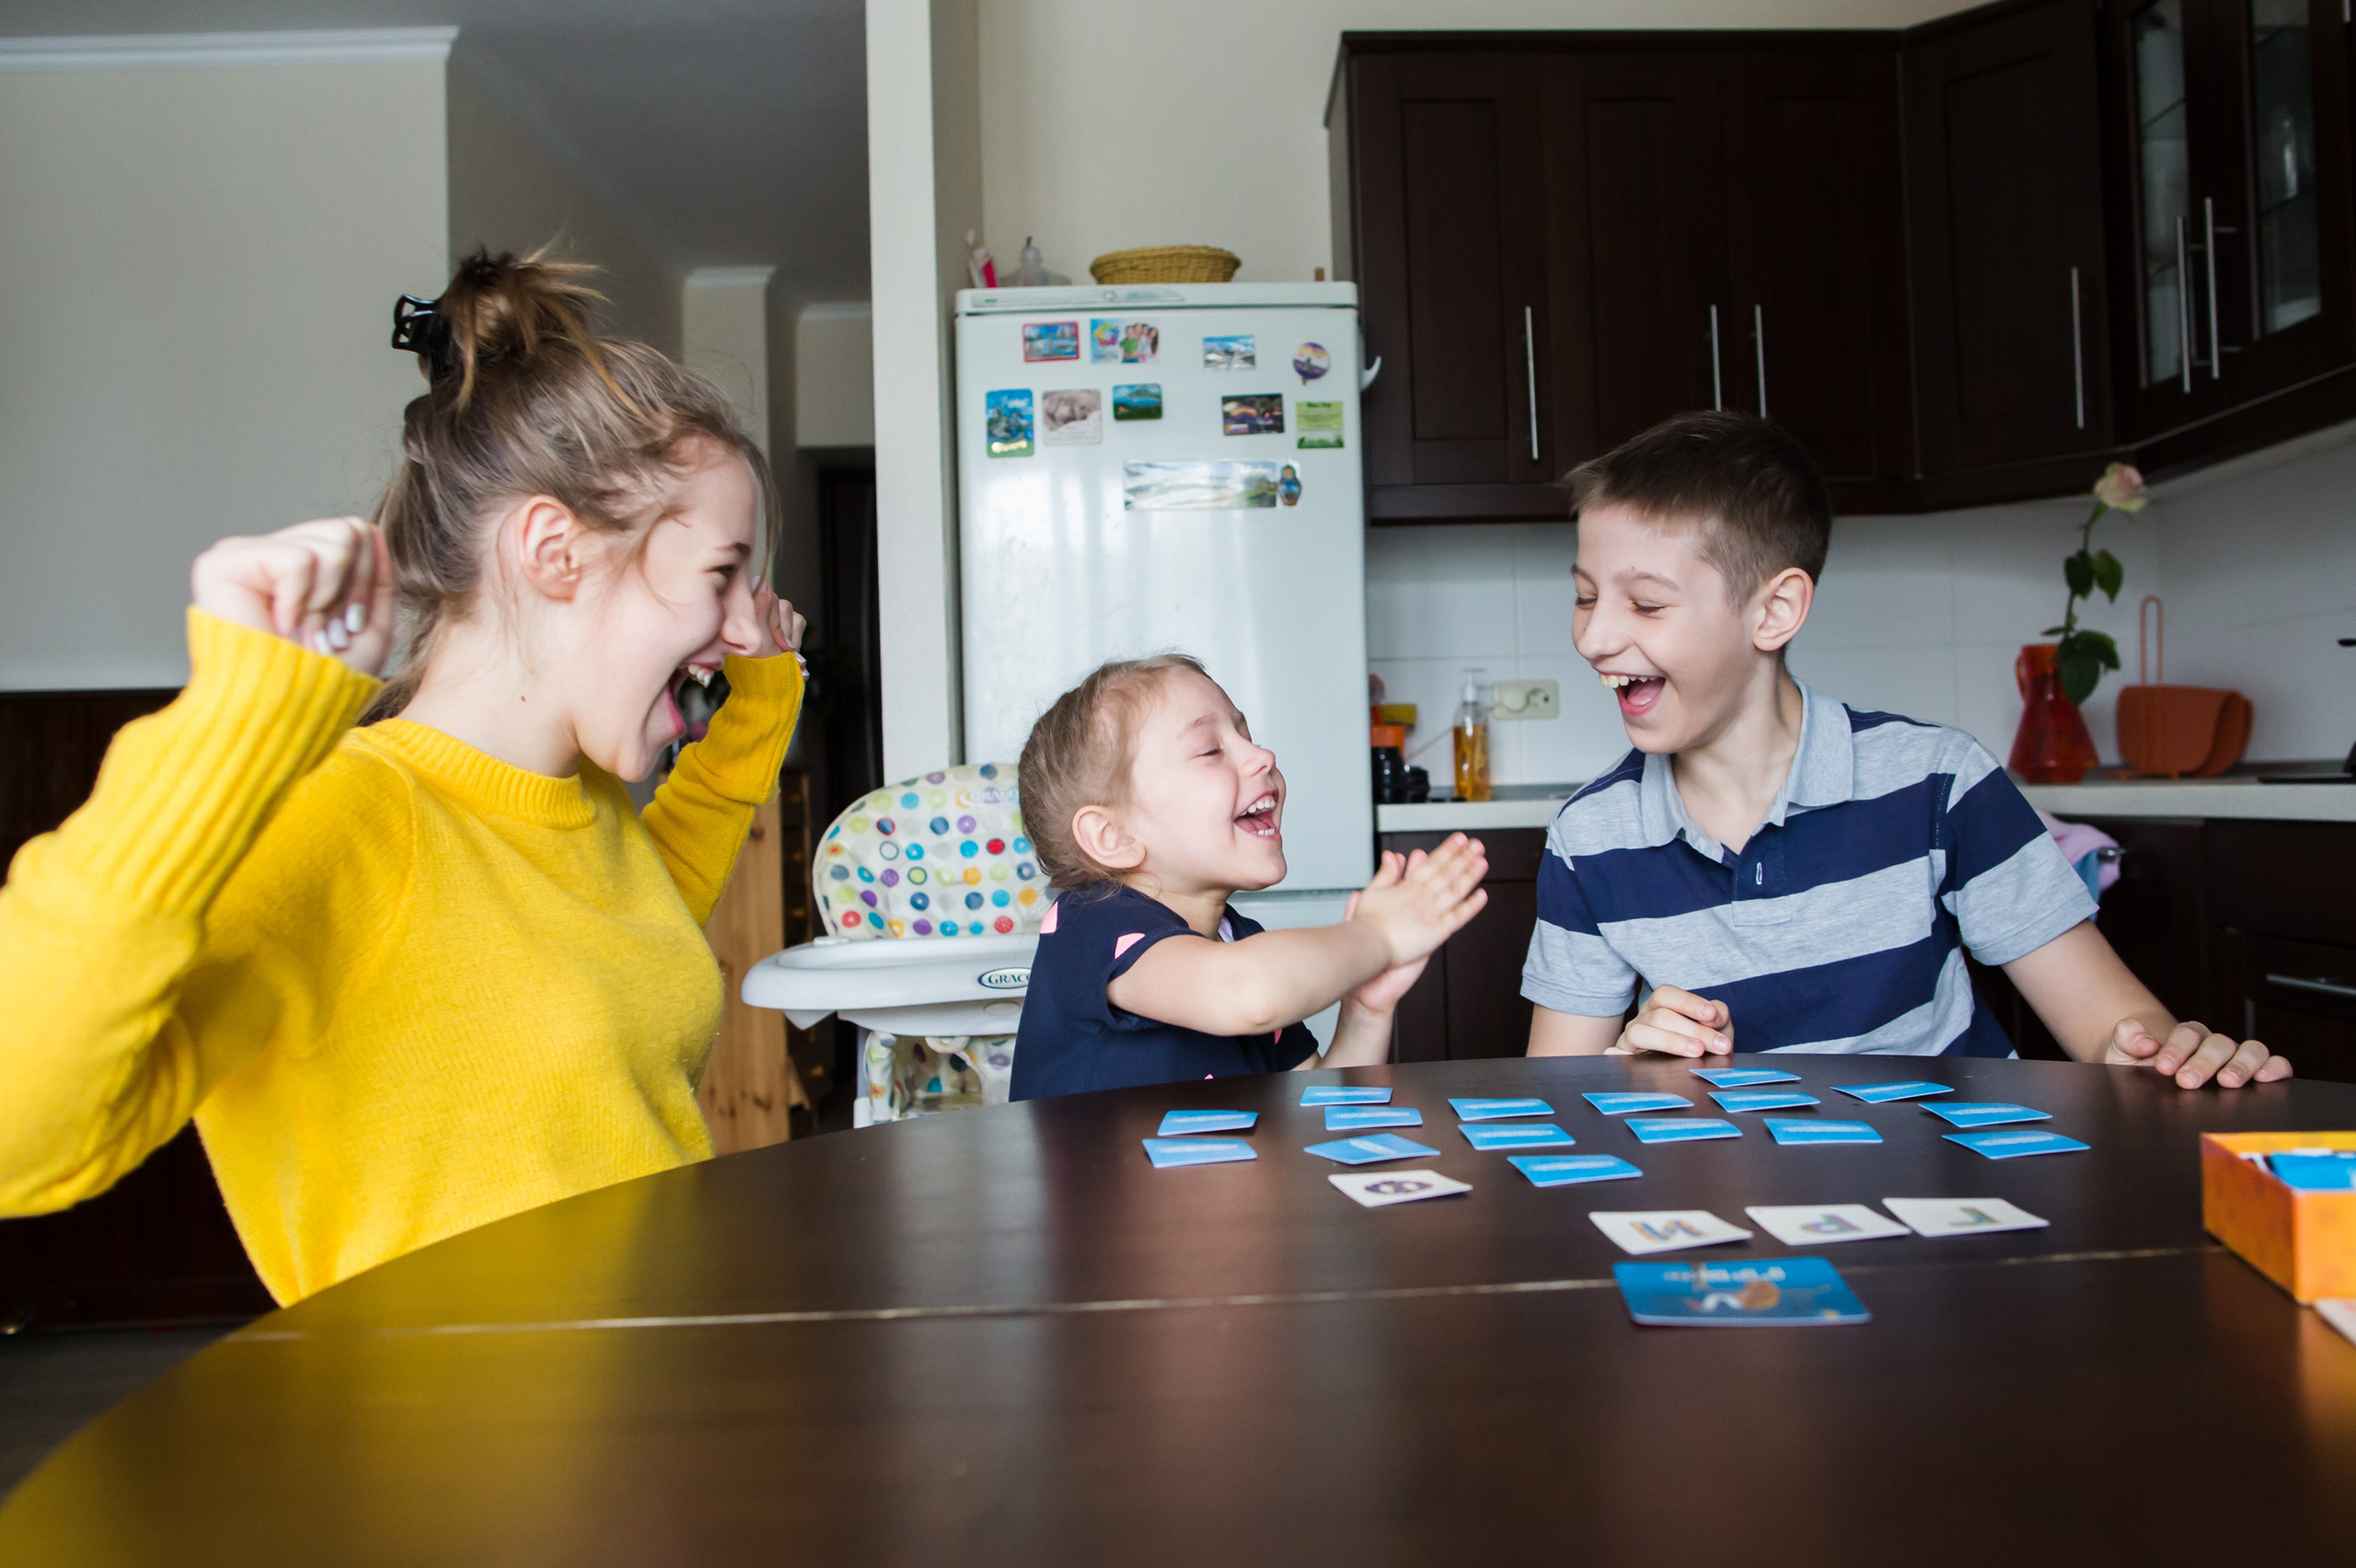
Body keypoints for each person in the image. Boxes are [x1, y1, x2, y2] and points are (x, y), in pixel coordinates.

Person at [0, 250, 809, 1303]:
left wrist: (757, 709)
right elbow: (22, 1137)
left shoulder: (581, 805)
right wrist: (231, 726)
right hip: (456, 1459)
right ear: (556, 553)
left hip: (652, 1419)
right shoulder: (350, 817)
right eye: (721, 575)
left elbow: (637, 923)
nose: (746, 621)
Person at [1525, 410, 2289, 1089]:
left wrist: (2183, 1059)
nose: (1593, 637)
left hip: (1962, 1201)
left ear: (1776, 611)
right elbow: (1556, 1103)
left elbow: (2113, 1031)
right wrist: (1627, 1069)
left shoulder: (1937, 782)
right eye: (1586, 595)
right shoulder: (1590, 836)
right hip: (1747, 1216)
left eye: (1646, 603)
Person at [1011, 655, 1488, 1100]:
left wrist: (1366, 1010)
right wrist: (1377, 936)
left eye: (1246, 734)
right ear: (1112, 835)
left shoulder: (1238, 942)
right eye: (1211, 750)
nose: (1263, 755)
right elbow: (1250, 993)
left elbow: (1321, 1109)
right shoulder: (1092, 924)